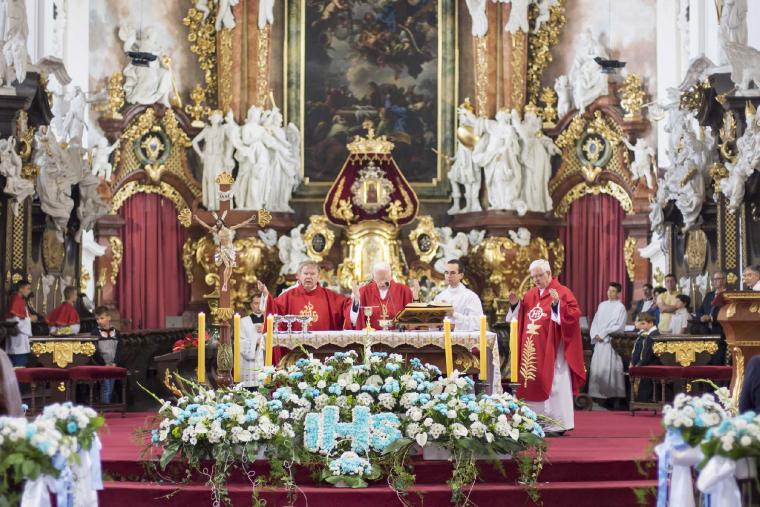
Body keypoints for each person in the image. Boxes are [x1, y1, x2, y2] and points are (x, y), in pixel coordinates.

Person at [506, 259, 586, 433]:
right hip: (530, 348)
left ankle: (556, 424)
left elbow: (573, 317)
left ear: (548, 273)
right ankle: (530, 422)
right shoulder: (530, 295)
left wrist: (558, 305)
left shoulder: (563, 292)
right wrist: (515, 305)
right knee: (529, 379)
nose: (536, 279)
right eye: (533, 277)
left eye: (539, 275)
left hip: (553, 349)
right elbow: (520, 317)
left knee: (554, 383)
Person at [257, 260, 349, 332]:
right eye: (305, 273)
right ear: (298, 276)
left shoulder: (330, 296)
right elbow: (274, 309)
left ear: (318, 277)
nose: (309, 276)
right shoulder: (288, 296)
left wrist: (355, 299)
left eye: (312, 274)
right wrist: (266, 294)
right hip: (295, 347)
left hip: (323, 347)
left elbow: (347, 305)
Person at [350, 261, 418, 330]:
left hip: (396, 335)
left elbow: (413, 320)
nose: (382, 283)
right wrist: (356, 301)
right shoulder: (364, 291)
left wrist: (415, 298)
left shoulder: (404, 291)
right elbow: (353, 321)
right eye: (379, 280)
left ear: (391, 276)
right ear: (373, 277)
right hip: (371, 336)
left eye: (385, 279)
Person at [588, 282, 627, 402]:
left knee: (610, 368)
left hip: (610, 343)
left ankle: (611, 397)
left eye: (613, 291)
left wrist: (603, 334)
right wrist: (595, 334)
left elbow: (619, 326)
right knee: (597, 368)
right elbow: (595, 321)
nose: (610, 293)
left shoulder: (620, 307)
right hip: (599, 343)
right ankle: (596, 395)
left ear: (618, 293)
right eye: (609, 290)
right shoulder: (602, 305)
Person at [432, 259, 484, 332]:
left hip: (463, 337)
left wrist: (453, 314)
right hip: (442, 337)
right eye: (446, 272)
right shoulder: (440, 297)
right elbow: (434, 324)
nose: (448, 276)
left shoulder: (471, 297)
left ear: (461, 275)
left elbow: (477, 324)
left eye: (452, 273)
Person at [91, 306, 124, 404]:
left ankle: (107, 406)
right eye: (97, 319)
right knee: (106, 388)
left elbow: (120, 349)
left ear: (109, 318)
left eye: (102, 318)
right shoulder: (95, 333)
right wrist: (103, 364)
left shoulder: (116, 333)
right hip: (102, 366)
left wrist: (115, 363)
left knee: (111, 388)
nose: (99, 321)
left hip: (113, 365)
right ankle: (105, 408)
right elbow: (94, 351)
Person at [631, 313, 660, 402]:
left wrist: (639, 365)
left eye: (643, 323)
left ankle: (643, 403)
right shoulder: (650, 334)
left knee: (645, 388)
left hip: (651, 364)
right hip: (647, 364)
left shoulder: (654, 335)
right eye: (641, 323)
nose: (641, 326)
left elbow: (648, 354)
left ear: (651, 323)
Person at [5, 281, 35, 367]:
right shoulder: (16, 300)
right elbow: (15, 321)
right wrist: (30, 319)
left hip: (18, 342)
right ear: (21, 289)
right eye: (28, 288)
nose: (29, 291)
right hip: (18, 342)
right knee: (19, 368)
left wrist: (29, 318)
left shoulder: (19, 299)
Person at [240, 294, 265, 386]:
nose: (259, 306)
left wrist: (265, 330)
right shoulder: (243, 321)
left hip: (265, 360)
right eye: (256, 303)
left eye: (261, 303)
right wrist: (255, 343)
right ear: (251, 305)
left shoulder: (270, 321)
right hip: (250, 362)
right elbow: (240, 342)